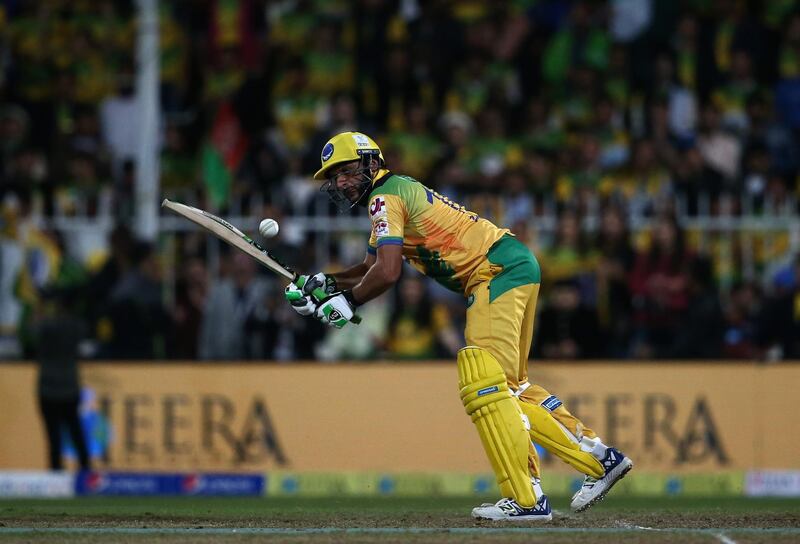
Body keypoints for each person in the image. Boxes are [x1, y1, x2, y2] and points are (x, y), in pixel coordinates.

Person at [284, 132, 633, 521]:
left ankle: (528, 499)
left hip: (494, 272)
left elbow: (387, 272)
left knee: (482, 383)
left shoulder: (386, 197)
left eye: (346, 172)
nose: (341, 183)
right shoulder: (395, 195)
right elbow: (368, 268)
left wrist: (347, 303)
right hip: (513, 263)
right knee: (513, 389)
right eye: (335, 177)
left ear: (370, 163)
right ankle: (600, 461)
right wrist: (327, 283)